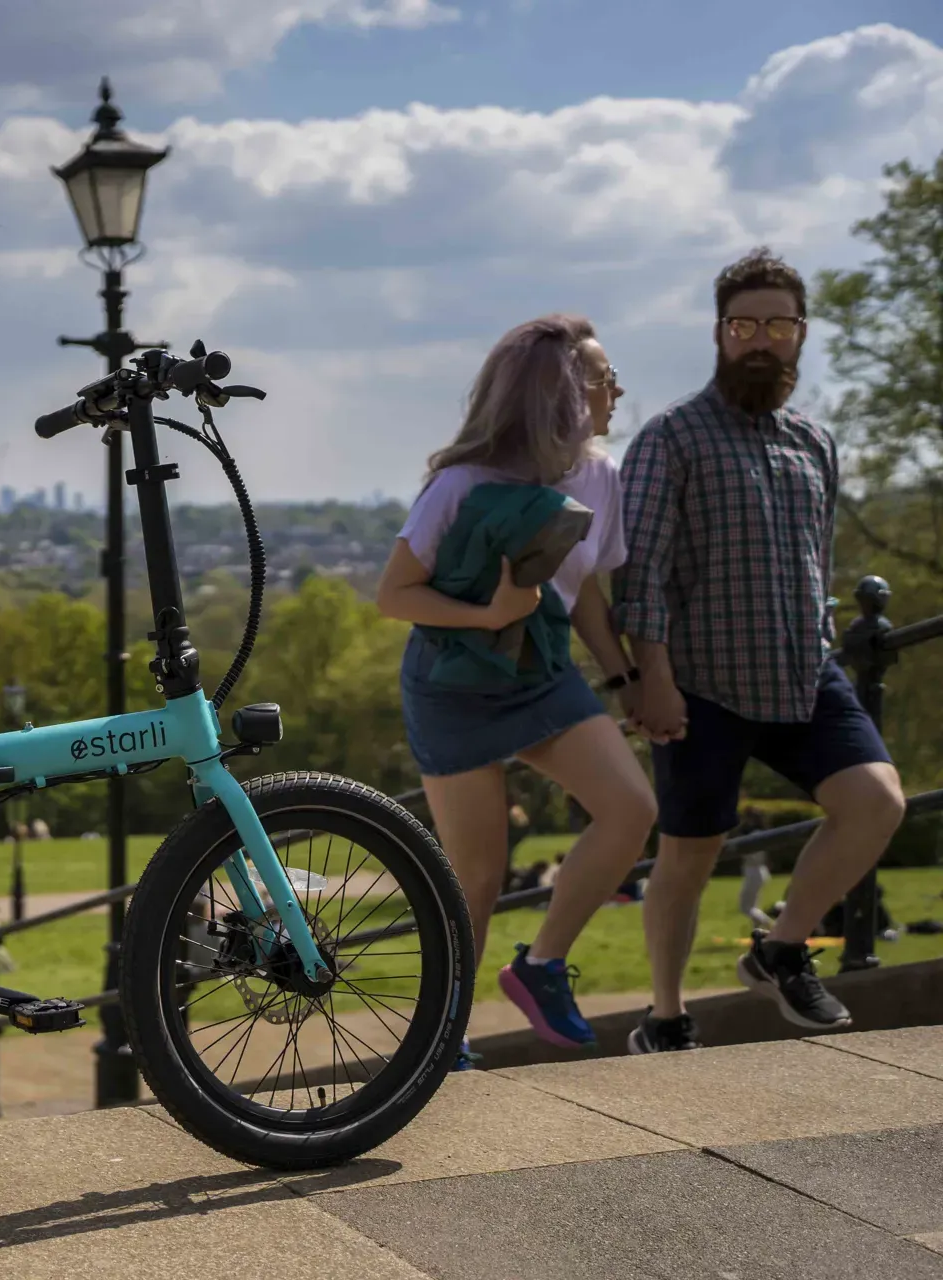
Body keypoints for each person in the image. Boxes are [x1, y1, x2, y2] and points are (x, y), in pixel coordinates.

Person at [613, 247, 907, 1053]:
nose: (761, 340)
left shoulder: (814, 441)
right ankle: (665, 1019)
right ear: (719, 333)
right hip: (702, 684)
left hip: (805, 672)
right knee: (689, 854)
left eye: (778, 325)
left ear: (800, 334)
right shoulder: (670, 437)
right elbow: (641, 574)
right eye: (744, 325)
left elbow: (819, 556)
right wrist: (653, 679)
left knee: (878, 801)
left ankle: (780, 951)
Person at [377, 313, 658, 1068]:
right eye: (602, 379)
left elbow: (584, 589)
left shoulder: (600, 474)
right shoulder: (460, 484)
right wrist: (489, 614)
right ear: (557, 395)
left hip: (542, 674)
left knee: (631, 810)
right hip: (455, 687)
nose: (616, 391)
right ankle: (443, 1038)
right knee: (477, 878)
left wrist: (625, 679)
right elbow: (395, 595)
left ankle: (541, 965)